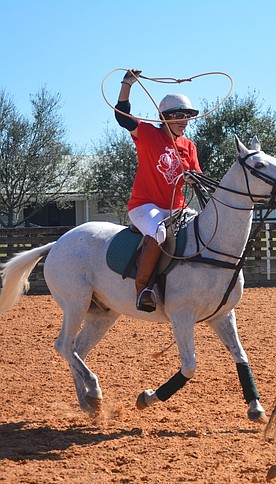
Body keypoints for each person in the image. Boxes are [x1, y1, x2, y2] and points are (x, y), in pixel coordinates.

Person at [114, 69, 201, 312]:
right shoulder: (147, 133)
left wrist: (195, 179)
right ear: (165, 117)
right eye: (180, 115)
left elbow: (197, 176)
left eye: (188, 116)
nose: (185, 120)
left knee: (201, 230)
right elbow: (122, 117)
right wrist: (127, 84)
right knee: (159, 234)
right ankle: (143, 289)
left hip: (177, 208)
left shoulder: (189, 146)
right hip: (145, 206)